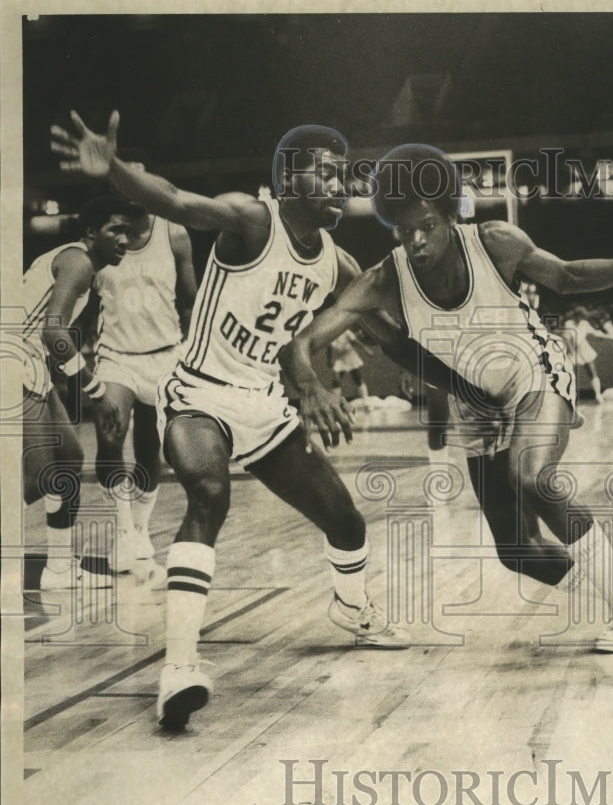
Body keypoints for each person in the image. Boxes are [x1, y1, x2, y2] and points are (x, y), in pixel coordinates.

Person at [280, 145, 613, 670]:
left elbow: (567, 277)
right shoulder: (385, 279)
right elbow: (303, 341)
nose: (416, 241)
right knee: (517, 550)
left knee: (533, 479)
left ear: (451, 213)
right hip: (475, 399)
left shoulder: (495, 241)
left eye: (426, 226)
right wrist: (309, 384)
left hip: (532, 370)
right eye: (403, 229)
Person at [52, 111, 409, 732]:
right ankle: (180, 669)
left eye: (346, 175)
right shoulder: (251, 218)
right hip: (198, 393)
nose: (341, 184)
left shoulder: (340, 265)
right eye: (328, 173)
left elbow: (387, 337)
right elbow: (174, 199)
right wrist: (110, 167)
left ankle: (353, 610)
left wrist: (449, 365)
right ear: (292, 178)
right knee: (208, 495)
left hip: (264, 404)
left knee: (346, 521)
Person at [22, 195, 136, 590]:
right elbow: (54, 332)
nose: (124, 237)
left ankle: (58, 568)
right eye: (114, 229)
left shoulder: (81, 264)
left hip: (29, 361)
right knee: (35, 480)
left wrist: (69, 381)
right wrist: (95, 389)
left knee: (69, 457)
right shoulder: (79, 261)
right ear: (91, 233)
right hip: (12, 358)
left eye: (127, 230)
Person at [92, 195, 197, 579]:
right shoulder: (104, 234)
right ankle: (122, 533)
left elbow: (191, 299)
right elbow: (86, 295)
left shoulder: (174, 233)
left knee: (151, 449)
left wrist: (197, 353)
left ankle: (140, 528)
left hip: (166, 354)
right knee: (109, 436)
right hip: (116, 355)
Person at [561, 306, 607, 404]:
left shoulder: (584, 323)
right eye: (580, 316)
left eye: (583, 317)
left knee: (592, 370)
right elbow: (567, 339)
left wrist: (605, 335)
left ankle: (598, 395)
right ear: (576, 316)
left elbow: (594, 332)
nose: (581, 319)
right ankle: (570, 397)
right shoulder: (568, 323)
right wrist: (573, 353)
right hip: (572, 349)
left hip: (584, 348)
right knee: (572, 373)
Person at [327, 328, 371, 409]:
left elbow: (356, 342)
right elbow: (329, 349)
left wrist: (366, 349)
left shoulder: (346, 332)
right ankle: (335, 403)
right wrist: (329, 360)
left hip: (350, 356)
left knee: (357, 378)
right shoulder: (330, 335)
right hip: (340, 358)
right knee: (336, 380)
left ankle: (366, 401)